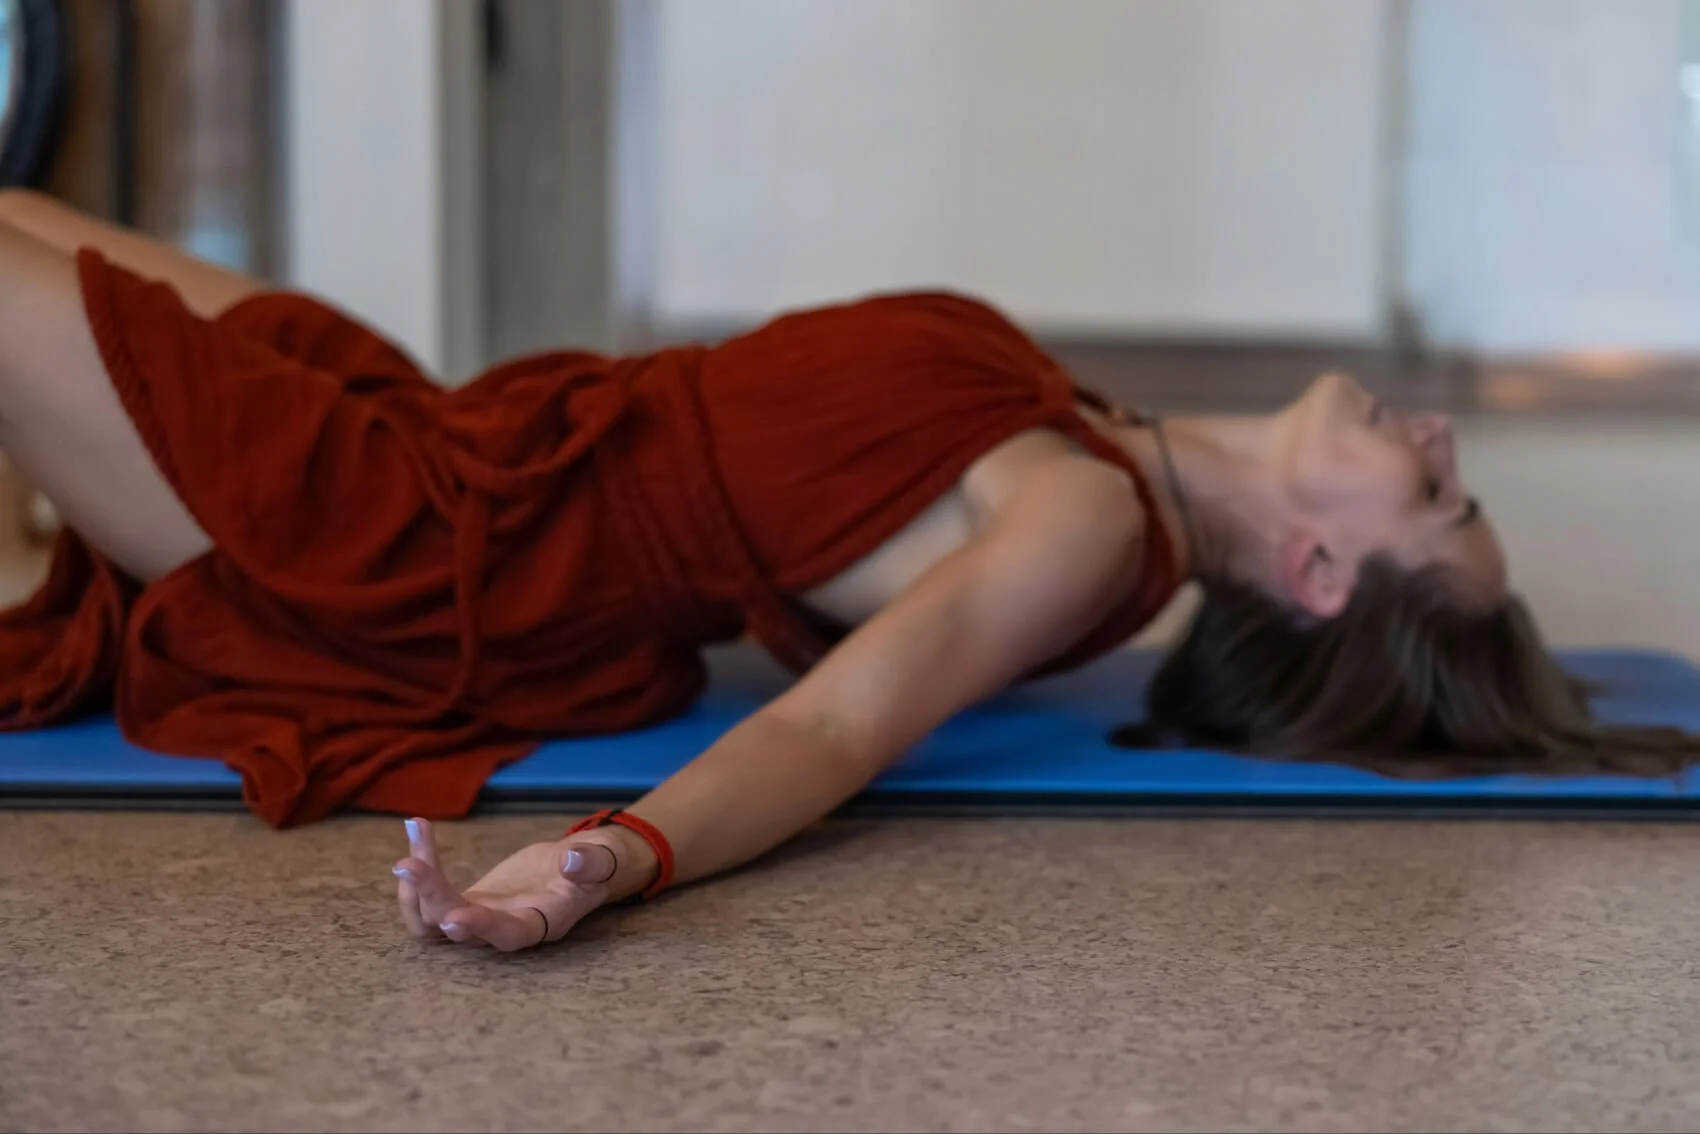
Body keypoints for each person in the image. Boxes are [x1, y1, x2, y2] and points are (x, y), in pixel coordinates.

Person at [0, 191, 1687, 957]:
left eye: (1439, 496)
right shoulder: (1097, 431)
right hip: (468, 432)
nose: (1443, 432)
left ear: (1322, 574)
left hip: (430, 550)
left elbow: (829, 730)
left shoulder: (1091, 524)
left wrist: (598, 862)